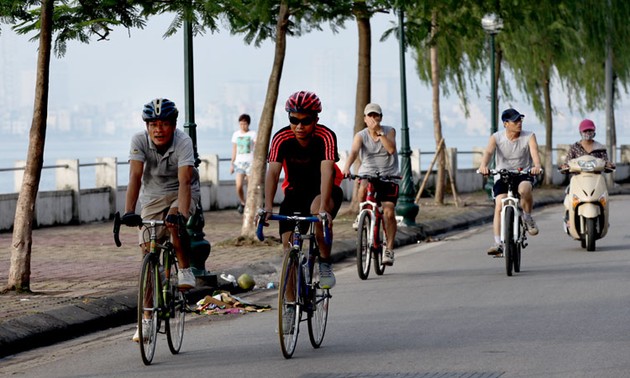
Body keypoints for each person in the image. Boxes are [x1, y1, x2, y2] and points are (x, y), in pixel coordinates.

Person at [120, 98, 200, 342]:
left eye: (164, 124)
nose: (158, 129)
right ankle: (146, 321)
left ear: (174, 125)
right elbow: (135, 176)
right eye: (153, 124)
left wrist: (181, 214)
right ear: (146, 126)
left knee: (175, 224)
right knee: (148, 256)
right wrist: (129, 211)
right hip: (152, 196)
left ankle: (185, 269)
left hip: (182, 191)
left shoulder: (183, 141)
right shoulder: (139, 141)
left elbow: (185, 180)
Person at [263, 90, 344, 290]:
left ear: (315, 119)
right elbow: (273, 173)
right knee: (288, 251)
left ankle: (325, 262)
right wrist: (267, 207)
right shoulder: (281, 138)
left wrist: (324, 207)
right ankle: (290, 309)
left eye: (306, 121)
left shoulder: (326, 136)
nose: (299, 126)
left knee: (318, 212)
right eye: (294, 120)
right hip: (295, 193)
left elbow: (327, 172)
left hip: (323, 191)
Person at [478, 108, 543, 256]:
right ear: (506, 124)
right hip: (503, 174)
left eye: (520, 120)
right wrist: (483, 166)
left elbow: (534, 152)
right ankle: (497, 243)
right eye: (515, 121)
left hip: (522, 173)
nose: (519, 123)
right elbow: (488, 152)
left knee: (525, 189)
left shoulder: (529, 136)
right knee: (500, 204)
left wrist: (537, 166)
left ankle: (527, 217)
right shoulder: (496, 137)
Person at [342, 103, 399, 265]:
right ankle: (362, 214)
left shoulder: (389, 131)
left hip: (389, 175)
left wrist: (380, 133)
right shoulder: (360, 135)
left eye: (377, 116)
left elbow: (391, 150)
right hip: (368, 171)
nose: (374, 118)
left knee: (388, 212)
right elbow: (353, 152)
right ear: (365, 119)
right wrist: (346, 167)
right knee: (364, 184)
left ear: (380, 118)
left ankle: (388, 249)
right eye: (370, 116)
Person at [230, 113, 256, 214]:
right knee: (239, 185)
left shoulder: (253, 134)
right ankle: (242, 202)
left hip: (250, 162)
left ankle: (250, 204)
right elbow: (234, 149)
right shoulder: (236, 134)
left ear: (248, 124)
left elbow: (257, 147)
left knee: (250, 186)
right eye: (241, 124)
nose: (243, 126)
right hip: (239, 163)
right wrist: (232, 164)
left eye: (244, 123)